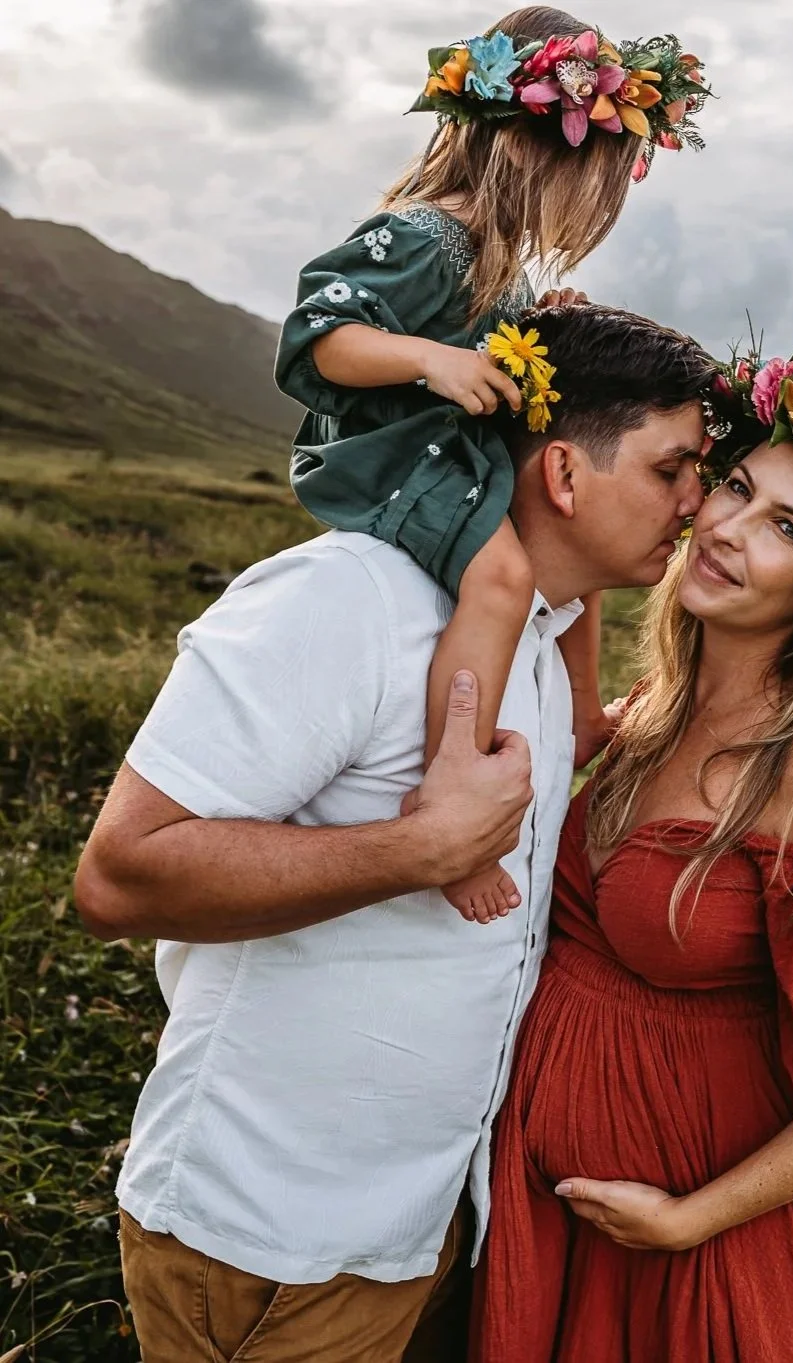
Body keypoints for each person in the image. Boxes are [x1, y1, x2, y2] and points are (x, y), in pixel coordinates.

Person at [73, 303, 717, 1363]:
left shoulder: (547, 642)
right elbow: (119, 876)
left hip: (427, 1231)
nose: (693, 504)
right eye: (669, 470)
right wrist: (416, 852)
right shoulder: (350, 599)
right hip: (272, 1240)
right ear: (562, 474)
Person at [471, 344, 793, 1362]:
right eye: (735, 488)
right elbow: (565, 568)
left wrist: (689, 1219)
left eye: (784, 527)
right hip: (567, 1216)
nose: (729, 529)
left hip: (709, 1245)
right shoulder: (655, 711)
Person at [274, 6, 709, 921]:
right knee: (506, 575)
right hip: (396, 454)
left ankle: (583, 712)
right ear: (520, 147)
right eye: (580, 181)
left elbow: (495, 342)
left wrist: (540, 321)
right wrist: (429, 359)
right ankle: (452, 805)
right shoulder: (431, 232)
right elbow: (320, 338)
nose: (581, 209)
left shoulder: (496, 260)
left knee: (575, 549)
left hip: (454, 450)